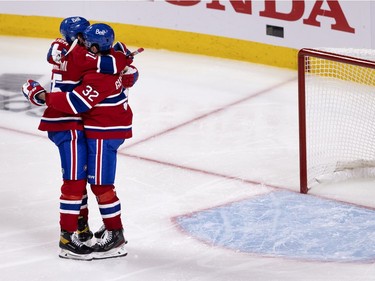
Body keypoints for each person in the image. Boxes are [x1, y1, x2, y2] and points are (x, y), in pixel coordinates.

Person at [23, 23, 138, 260]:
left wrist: (39, 95)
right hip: (94, 128)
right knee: (82, 181)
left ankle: (108, 235)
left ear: (95, 46)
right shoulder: (113, 56)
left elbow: (76, 103)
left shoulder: (98, 72)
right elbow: (63, 53)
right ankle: (83, 230)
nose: (82, 44)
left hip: (99, 130)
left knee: (97, 185)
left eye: (87, 41)